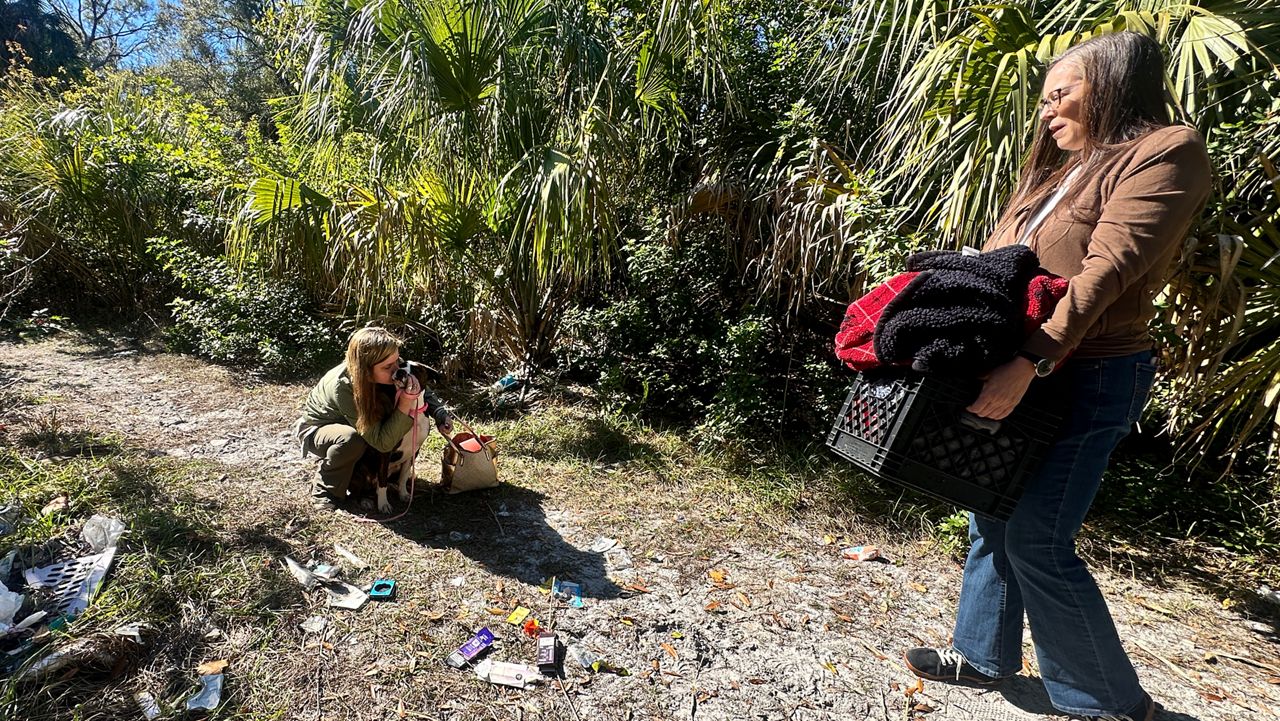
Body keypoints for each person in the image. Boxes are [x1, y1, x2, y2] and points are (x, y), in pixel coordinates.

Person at [902, 32, 1210, 721]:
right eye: (1044, 99)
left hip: (1090, 370)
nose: (1047, 111)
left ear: (1111, 85)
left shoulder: (1165, 151)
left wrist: (1032, 359)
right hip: (1020, 362)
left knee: (1037, 534)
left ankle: (1110, 701)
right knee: (992, 510)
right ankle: (982, 657)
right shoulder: (1056, 171)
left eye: (1061, 93)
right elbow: (997, 265)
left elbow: (1105, 273)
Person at [294, 327, 453, 509]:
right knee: (351, 440)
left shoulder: (389, 362)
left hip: (357, 421)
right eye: (388, 367)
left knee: (368, 440)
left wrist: (440, 412)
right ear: (366, 370)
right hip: (320, 428)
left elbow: (421, 386)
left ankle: (381, 478)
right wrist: (405, 403)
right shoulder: (344, 387)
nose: (396, 370)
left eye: (397, 362)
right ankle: (325, 490)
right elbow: (381, 443)